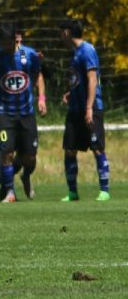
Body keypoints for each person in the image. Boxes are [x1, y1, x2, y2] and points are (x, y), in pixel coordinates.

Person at [0, 26, 46, 202]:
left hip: (27, 113)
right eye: (3, 43)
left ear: (15, 40)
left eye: (9, 42)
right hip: (4, 114)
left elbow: (38, 76)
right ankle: (10, 192)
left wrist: (41, 98)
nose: (7, 46)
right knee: (6, 152)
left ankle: (25, 176)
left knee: (30, 157)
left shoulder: (29, 55)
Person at [59, 19, 110, 202]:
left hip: (90, 108)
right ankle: (73, 192)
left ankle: (105, 190)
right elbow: (79, 81)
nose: (61, 37)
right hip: (75, 108)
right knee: (70, 149)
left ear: (67, 32)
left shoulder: (87, 50)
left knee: (97, 148)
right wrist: (70, 93)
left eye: (61, 32)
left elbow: (92, 80)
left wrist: (89, 107)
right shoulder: (75, 53)